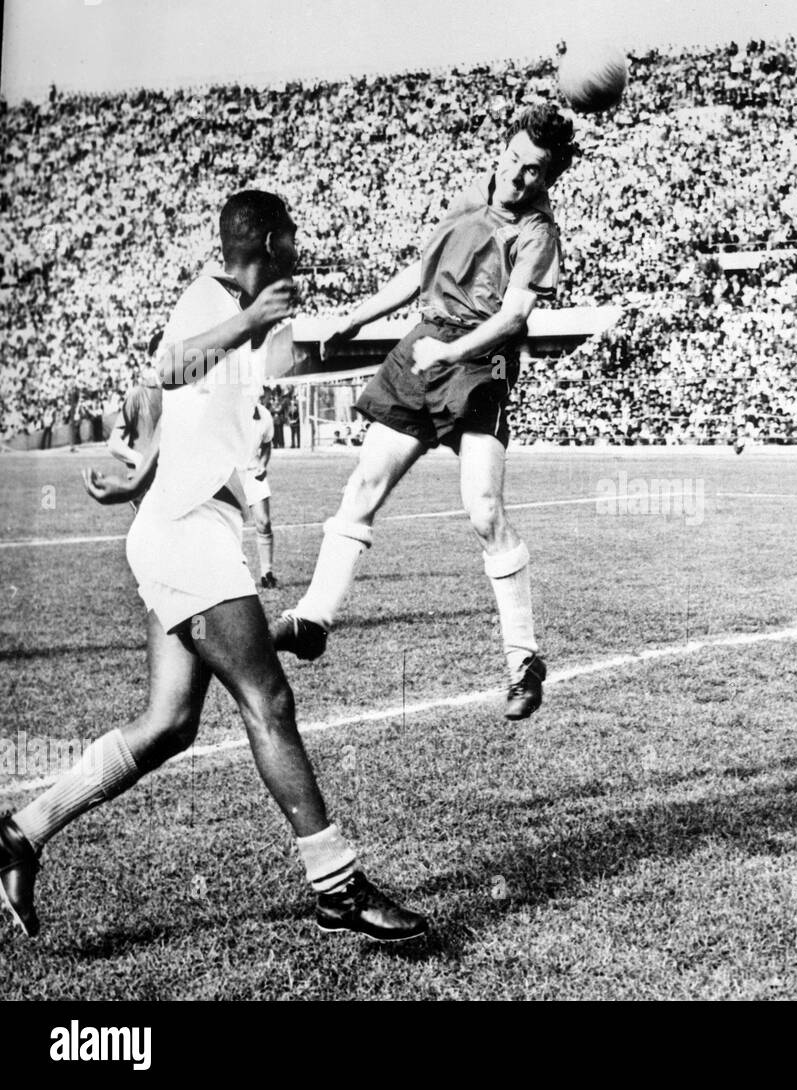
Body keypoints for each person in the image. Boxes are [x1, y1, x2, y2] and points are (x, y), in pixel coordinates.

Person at [1, 192, 427, 943]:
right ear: (268, 239)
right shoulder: (216, 300)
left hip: (183, 527)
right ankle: (335, 885)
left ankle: (20, 834)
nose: (301, 246)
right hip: (186, 535)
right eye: (292, 235)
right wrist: (255, 319)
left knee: (168, 725)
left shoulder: (230, 305)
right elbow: (171, 364)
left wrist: (139, 474)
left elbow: (175, 399)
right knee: (269, 701)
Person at [272, 104, 579, 722]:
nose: (518, 178)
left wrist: (453, 350)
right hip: (423, 349)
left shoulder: (538, 233)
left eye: (533, 173)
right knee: (362, 486)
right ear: (504, 150)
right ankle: (312, 619)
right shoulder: (471, 195)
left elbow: (514, 318)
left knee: (484, 510)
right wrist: (357, 316)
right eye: (515, 161)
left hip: (478, 362)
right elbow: (421, 272)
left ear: (550, 179)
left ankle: (524, 660)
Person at [247, 400, 277, 589]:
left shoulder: (263, 414)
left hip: (252, 472)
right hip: (227, 473)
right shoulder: (224, 410)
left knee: (264, 522)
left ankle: (267, 573)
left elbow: (267, 445)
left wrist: (262, 464)